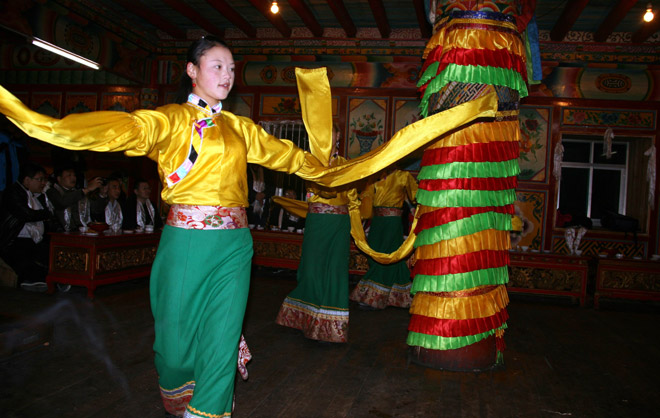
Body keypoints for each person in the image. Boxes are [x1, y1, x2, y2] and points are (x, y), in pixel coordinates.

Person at [0, 36, 354, 418]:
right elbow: (124, 128)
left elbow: (290, 157)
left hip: (235, 245)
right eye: (217, 66)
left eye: (232, 68)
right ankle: (183, 391)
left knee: (223, 334)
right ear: (192, 70)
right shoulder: (169, 119)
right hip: (186, 243)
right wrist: (49, 127)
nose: (227, 75)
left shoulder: (241, 128)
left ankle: (208, 410)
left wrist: (340, 170)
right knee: (174, 344)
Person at [275, 126, 353, 343]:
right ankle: (305, 315)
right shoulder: (310, 162)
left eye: (333, 137)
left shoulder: (346, 164)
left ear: (338, 138)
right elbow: (320, 189)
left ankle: (331, 323)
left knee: (336, 268)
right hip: (317, 220)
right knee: (311, 267)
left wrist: (356, 224)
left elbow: (352, 196)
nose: (329, 141)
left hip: (339, 222)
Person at [349, 166, 418, 310]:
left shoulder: (403, 175)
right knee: (376, 254)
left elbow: (415, 195)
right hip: (377, 222)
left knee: (385, 255)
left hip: (392, 222)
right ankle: (399, 296)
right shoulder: (376, 175)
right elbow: (366, 197)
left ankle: (374, 297)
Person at [0, 162, 55, 291]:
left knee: (51, 255)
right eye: (39, 179)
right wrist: (46, 214)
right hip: (12, 240)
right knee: (27, 261)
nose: (43, 183)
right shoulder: (13, 192)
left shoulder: (37, 195)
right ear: (27, 180)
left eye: (44, 180)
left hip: (33, 240)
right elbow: (27, 214)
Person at [46, 165, 103, 231]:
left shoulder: (78, 192)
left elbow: (95, 210)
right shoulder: (52, 191)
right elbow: (62, 202)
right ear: (59, 179)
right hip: (61, 232)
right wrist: (87, 189)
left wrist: (103, 194)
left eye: (74, 175)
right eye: (69, 175)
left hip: (79, 230)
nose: (73, 178)